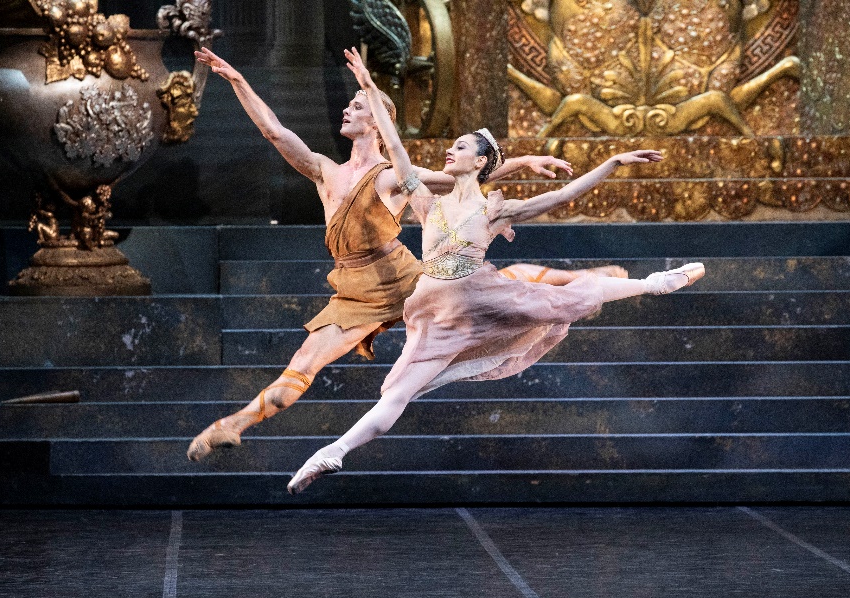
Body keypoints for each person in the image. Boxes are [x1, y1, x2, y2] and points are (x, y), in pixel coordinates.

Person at [285, 49, 705, 494]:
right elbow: (399, 152)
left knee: (567, 297)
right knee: (395, 395)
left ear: (481, 162)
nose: (451, 150)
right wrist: (369, 88)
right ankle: (333, 452)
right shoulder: (427, 200)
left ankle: (653, 283)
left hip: (478, 294)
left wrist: (612, 163)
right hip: (433, 309)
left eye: (461, 146)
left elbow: (561, 197)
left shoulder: (493, 211)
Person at [186, 47, 612, 461]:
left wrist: (521, 161)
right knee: (303, 363)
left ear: (378, 121)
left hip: (404, 278)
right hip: (354, 293)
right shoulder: (324, 170)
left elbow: (460, 177)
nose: (347, 110)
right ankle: (233, 425)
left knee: (494, 284)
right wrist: (238, 79)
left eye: (357, 105)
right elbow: (274, 131)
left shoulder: (390, 176)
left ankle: (587, 282)